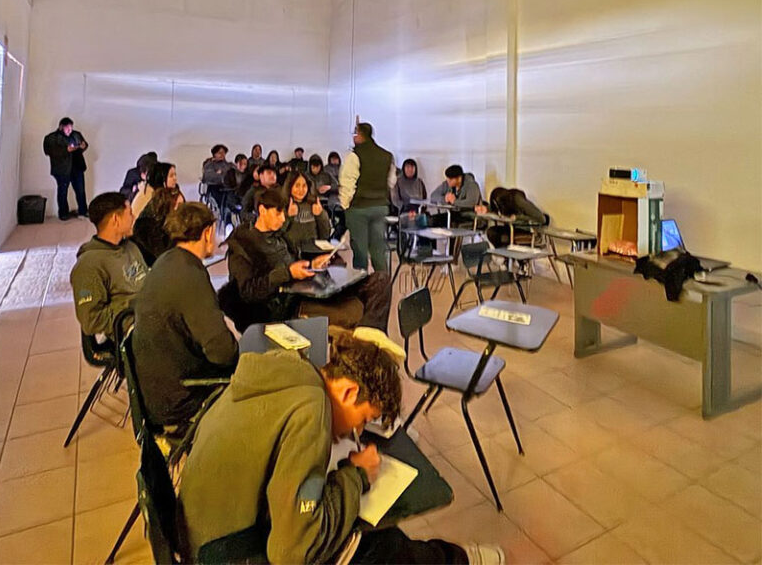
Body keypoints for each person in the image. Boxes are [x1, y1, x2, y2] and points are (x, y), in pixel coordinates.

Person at [178, 328, 503, 564]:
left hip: (204, 536)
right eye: (364, 419)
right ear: (348, 392)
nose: (358, 432)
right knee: (376, 545)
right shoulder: (311, 411)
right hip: (230, 552)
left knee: (382, 542)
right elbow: (293, 552)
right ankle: (457, 560)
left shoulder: (288, 374)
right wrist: (357, 475)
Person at [218, 189, 391, 333]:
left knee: (380, 281)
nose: (283, 219)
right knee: (355, 311)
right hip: (284, 307)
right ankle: (368, 347)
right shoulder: (243, 245)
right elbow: (249, 292)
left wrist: (312, 265)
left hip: (304, 292)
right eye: (278, 213)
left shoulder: (279, 238)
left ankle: (370, 343)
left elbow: (293, 263)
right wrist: (287, 273)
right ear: (262, 210)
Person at [134, 202, 239, 430]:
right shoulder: (190, 275)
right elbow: (222, 353)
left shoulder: (166, 260)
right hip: (181, 398)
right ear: (208, 232)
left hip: (159, 386)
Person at [70, 192, 147, 341]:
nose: (134, 218)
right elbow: (91, 321)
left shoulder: (130, 247)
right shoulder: (89, 266)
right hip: (134, 332)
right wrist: (135, 305)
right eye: (129, 213)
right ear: (116, 219)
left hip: (153, 316)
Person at [339, 122, 397, 272]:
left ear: (359, 134)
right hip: (380, 207)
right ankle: (383, 286)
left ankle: (361, 288)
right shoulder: (387, 156)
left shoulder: (354, 156)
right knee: (378, 250)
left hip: (359, 208)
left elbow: (347, 182)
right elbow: (391, 181)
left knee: (360, 252)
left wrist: (346, 206)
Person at [43, 117, 89, 220]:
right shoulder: (52, 138)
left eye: (71, 128)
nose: (70, 130)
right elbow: (48, 151)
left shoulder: (76, 134)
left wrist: (83, 146)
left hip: (77, 167)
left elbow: (84, 144)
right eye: (67, 128)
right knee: (63, 192)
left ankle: (83, 211)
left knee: (80, 191)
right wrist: (66, 150)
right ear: (61, 127)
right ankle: (63, 213)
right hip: (62, 170)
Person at [132, 186, 184, 266]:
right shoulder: (146, 226)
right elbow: (163, 258)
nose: (181, 211)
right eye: (179, 206)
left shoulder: (170, 225)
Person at [478, 188, 548, 248]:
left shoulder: (517, 200)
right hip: (513, 228)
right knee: (491, 232)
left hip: (527, 230)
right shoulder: (504, 201)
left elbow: (541, 218)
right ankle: (506, 259)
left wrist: (517, 217)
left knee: (500, 236)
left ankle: (511, 259)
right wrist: (486, 209)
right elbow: (496, 209)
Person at [283, 171, 331, 253]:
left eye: (304, 186)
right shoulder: (282, 206)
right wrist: (288, 216)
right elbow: (277, 234)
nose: (301, 190)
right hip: (290, 252)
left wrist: (321, 215)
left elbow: (325, 235)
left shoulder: (313, 204)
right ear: (290, 187)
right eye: (297, 186)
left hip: (312, 251)